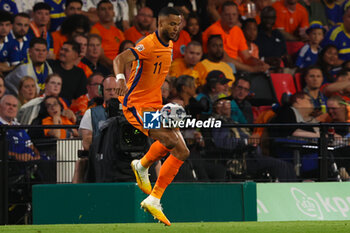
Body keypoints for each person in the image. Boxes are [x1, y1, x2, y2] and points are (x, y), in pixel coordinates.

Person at [113, 7, 188, 226]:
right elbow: (119, 58)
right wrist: (119, 79)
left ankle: (153, 196)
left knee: (183, 151)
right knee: (171, 141)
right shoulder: (148, 44)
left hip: (155, 105)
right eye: (172, 24)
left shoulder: (170, 45)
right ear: (161, 23)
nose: (177, 28)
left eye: (179, 23)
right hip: (136, 105)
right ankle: (142, 165)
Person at [202, 1, 269, 73]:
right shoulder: (214, 30)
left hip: (236, 66)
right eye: (227, 15)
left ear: (238, 15)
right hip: (217, 66)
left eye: (234, 15)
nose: (231, 18)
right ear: (221, 15)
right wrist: (251, 69)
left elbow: (247, 57)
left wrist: (258, 63)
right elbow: (224, 58)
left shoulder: (237, 30)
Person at [0, 94, 40, 161]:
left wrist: (37, 156)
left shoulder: (19, 127)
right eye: (8, 104)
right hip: (9, 165)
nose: (11, 108)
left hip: (29, 162)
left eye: (14, 106)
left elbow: (30, 145)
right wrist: (17, 156)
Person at [90, 0, 125, 70]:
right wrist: (116, 66)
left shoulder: (118, 32)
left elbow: (125, 51)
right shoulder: (94, 30)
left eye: (110, 9)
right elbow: (100, 56)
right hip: (105, 67)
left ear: (114, 13)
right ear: (97, 13)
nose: (107, 12)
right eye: (103, 9)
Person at [254, 6, 289, 72]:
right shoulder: (255, 33)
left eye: (271, 18)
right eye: (266, 18)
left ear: (275, 19)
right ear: (261, 18)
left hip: (278, 69)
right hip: (260, 68)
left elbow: (284, 53)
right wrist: (265, 59)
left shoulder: (278, 34)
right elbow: (250, 56)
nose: (268, 21)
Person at [0, 10, 13, 75]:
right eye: (1, 25)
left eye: (7, 25)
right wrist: (7, 65)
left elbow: (15, 66)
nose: (4, 28)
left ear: (11, 27)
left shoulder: (12, 42)